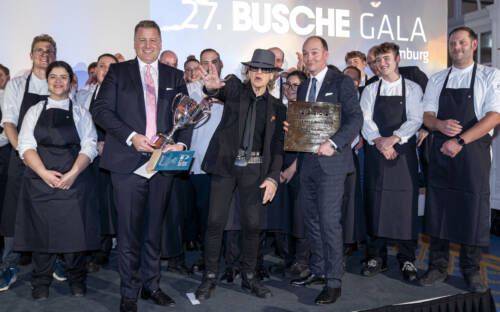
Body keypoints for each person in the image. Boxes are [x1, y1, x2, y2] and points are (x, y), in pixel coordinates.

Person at [90, 20, 190, 312]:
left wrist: (180, 144)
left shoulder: (175, 75)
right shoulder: (118, 72)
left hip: (162, 163)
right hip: (126, 162)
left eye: (153, 40)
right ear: (134, 43)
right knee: (129, 232)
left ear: (160, 43)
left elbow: (186, 116)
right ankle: (129, 292)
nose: (148, 45)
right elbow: (101, 110)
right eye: (142, 40)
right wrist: (131, 137)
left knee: (154, 229)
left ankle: (152, 285)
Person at [195, 49, 285, 300]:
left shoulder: (277, 106)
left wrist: (273, 177)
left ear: (272, 76)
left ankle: (249, 277)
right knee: (215, 221)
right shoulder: (235, 88)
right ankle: (210, 276)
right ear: (248, 71)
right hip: (225, 166)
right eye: (255, 68)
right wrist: (212, 89)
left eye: (265, 70)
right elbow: (218, 89)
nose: (259, 73)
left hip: (255, 170)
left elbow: (278, 145)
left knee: (253, 225)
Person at [419, 26, 500, 293]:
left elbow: (494, 116)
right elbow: (427, 115)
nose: (457, 47)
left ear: (474, 45)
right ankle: (437, 267)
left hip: (473, 153)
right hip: (441, 152)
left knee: (473, 211)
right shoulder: (437, 79)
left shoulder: (491, 76)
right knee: (437, 208)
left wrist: (461, 140)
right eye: (453, 43)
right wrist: (440, 125)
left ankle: (471, 270)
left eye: (462, 43)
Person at [287, 36, 362, 305]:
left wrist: (333, 143)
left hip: (332, 164)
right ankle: (318, 270)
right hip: (307, 164)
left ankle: (334, 281)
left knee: (329, 222)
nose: (310, 58)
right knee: (312, 221)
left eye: (315, 53)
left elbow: (356, 119)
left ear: (326, 55)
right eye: (306, 54)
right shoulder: (305, 85)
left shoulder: (341, 82)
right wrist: (293, 130)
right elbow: (306, 123)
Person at [14, 61, 99, 300]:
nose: (58, 81)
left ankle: (76, 279)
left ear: (71, 81)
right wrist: (43, 173)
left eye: (63, 77)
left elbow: (90, 145)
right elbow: (25, 145)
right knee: (41, 235)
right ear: (47, 81)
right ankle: (40, 282)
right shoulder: (35, 110)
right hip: (39, 181)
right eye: (54, 77)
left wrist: (72, 174)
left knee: (75, 235)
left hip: (74, 181)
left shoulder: (81, 112)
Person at [359, 42, 423, 282]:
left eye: (386, 58)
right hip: (377, 153)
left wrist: (394, 139)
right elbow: (365, 120)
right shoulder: (370, 90)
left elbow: (416, 119)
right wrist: (379, 142)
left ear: (397, 59)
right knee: (376, 203)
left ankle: (407, 258)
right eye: (377, 60)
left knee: (405, 207)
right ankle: (377, 256)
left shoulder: (414, 88)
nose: (381, 63)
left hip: (403, 154)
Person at [0, 34, 56, 291]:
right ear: (31, 54)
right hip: (22, 157)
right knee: (13, 214)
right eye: (39, 50)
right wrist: (23, 152)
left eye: (49, 51)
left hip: (54, 158)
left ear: (54, 55)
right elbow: (9, 122)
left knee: (52, 213)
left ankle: (52, 262)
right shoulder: (17, 85)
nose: (44, 55)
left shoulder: (61, 83)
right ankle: (8, 265)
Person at [76, 53, 119, 272]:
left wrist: (108, 144)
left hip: (116, 157)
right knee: (93, 204)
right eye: (102, 66)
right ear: (96, 70)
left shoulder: (125, 96)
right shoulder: (83, 95)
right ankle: (95, 248)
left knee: (113, 205)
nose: (106, 70)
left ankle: (108, 249)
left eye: (112, 67)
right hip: (89, 158)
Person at [186, 48, 225, 273]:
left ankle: (227, 257)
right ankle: (206, 256)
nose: (209, 66)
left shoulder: (231, 89)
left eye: (213, 62)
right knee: (204, 214)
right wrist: (200, 106)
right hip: (199, 164)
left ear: (220, 65)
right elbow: (181, 125)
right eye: (204, 62)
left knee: (225, 215)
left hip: (225, 165)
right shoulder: (190, 91)